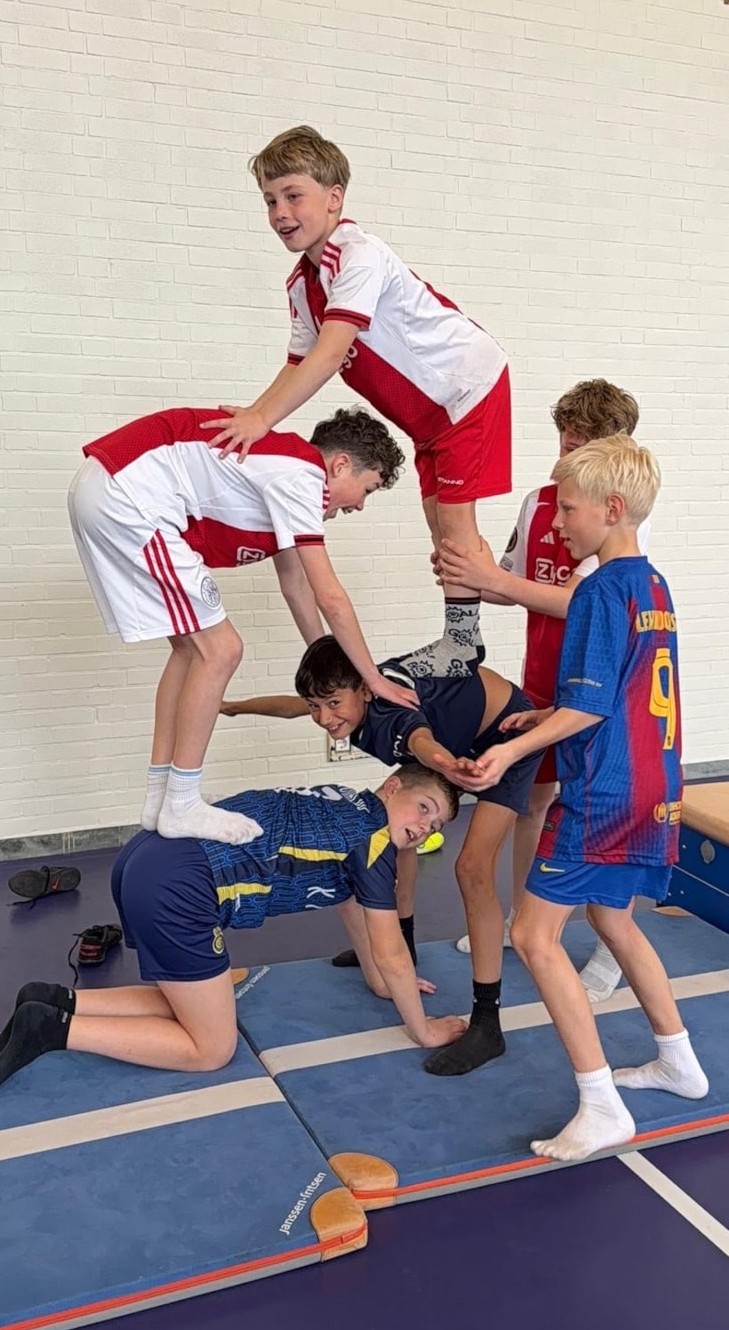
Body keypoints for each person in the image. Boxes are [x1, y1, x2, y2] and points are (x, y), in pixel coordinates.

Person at [459, 434, 708, 1158]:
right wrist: (546, 713)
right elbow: (624, 688)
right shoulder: (651, 584)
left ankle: (600, 1105)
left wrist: (511, 749)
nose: (558, 522)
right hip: (654, 779)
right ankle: (678, 1061)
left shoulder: (597, 589)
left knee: (533, 937)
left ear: (612, 508)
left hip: (604, 790)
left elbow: (593, 708)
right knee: (614, 919)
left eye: (568, 510)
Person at [200, 124, 511, 681]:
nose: (280, 212)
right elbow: (297, 363)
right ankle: (479, 608)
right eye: (270, 200)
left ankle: (464, 644)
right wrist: (254, 417)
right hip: (428, 418)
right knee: (440, 530)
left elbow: (328, 355)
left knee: (455, 527)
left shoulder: (359, 255)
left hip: (467, 389)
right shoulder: (303, 282)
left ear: (334, 197)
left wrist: (260, 419)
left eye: (293, 195)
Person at [0, 766, 466, 1094]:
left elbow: (350, 903)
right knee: (211, 1047)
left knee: (193, 1002)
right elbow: (393, 952)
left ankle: (56, 999)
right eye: (424, 808)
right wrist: (422, 1030)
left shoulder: (344, 801)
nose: (425, 828)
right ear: (392, 787)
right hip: (180, 884)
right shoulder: (374, 841)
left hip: (147, 856)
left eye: (436, 825)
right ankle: (53, 1029)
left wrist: (380, 982)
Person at [68, 404, 418, 845]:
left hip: (107, 488)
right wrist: (374, 679)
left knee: (191, 650)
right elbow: (330, 596)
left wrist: (333, 668)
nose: (361, 505)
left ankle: (161, 796)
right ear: (340, 465)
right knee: (222, 649)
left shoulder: (283, 476)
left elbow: (297, 586)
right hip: (128, 495)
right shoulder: (304, 475)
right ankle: (182, 802)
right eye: (367, 489)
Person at [222, 633, 543, 1076]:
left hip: (505, 731)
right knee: (393, 832)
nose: (323, 717)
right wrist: (233, 706)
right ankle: (403, 946)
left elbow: (420, 740)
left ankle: (488, 1022)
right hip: (450, 736)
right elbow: (292, 705)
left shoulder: (392, 717)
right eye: (317, 706)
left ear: (365, 691)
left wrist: (445, 763)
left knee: (472, 868)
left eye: (333, 704)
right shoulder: (349, 698)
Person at [438, 379, 649, 1003]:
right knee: (531, 800)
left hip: (601, 682)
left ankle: (613, 940)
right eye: (564, 440)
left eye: (581, 445)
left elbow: (582, 601)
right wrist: (468, 573)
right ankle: (520, 918)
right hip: (543, 674)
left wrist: (494, 579)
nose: (567, 454)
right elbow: (512, 581)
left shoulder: (618, 518)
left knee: (602, 806)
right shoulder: (540, 503)